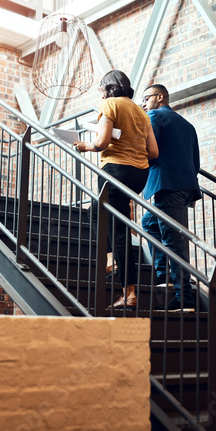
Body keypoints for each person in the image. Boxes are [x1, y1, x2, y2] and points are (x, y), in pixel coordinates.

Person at [74, 70, 159, 309]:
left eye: (101, 88)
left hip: (115, 171)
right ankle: (111, 258)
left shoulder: (110, 104)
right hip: (139, 174)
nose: (100, 93)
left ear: (108, 88)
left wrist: (84, 146)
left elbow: (101, 143)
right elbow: (153, 152)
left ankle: (129, 291)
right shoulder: (142, 113)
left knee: (118, 230)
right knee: (95, 213)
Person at [141, 84, 201, 312]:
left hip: (166, 184)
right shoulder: (188, 125)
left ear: (160, 97)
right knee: (148, 223)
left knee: (172, 240)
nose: (144, 104)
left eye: (146, 99)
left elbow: (149, 149)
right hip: (185, 185)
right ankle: (163, 275)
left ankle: (184, 297)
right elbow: (196, 162)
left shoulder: (155, 116)